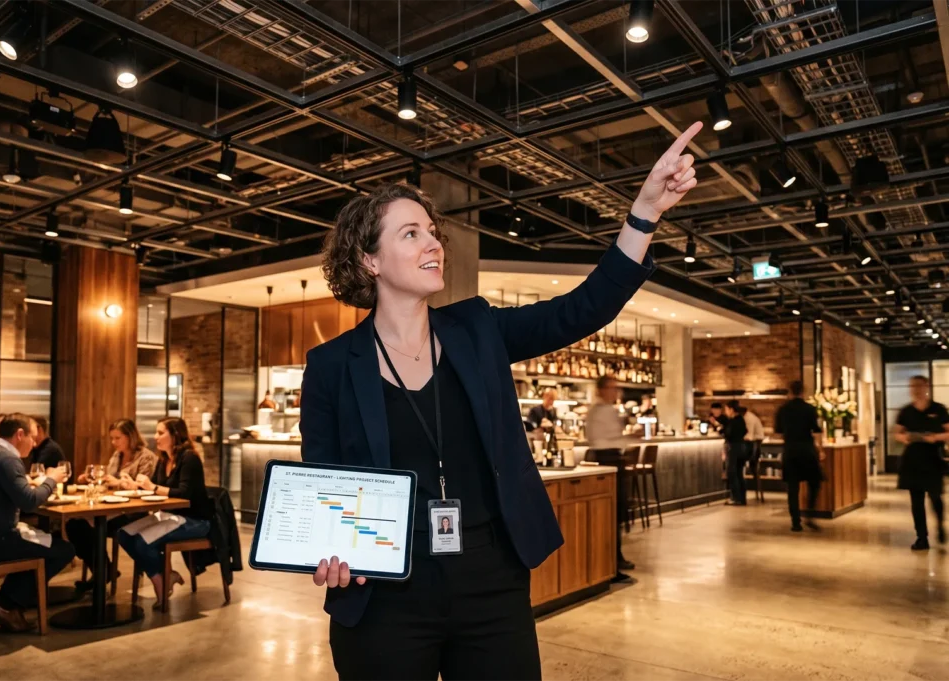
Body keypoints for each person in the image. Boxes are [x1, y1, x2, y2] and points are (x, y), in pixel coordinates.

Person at [300, 120, 701, 681]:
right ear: (370, 260)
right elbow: (324, 481)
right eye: (411, 234)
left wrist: (645, 213)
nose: (434, 243)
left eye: (432, 232)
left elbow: (581, 309)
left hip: (490, 578)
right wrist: (329, 550)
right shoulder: (331, 365)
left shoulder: (477, 329)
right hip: (384, 590)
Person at [0, 413, 72, 632]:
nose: (33, 443)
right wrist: (52, 479)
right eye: (32, 438)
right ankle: (6, 605)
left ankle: (7, 602)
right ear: (19, 434)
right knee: (63, 549)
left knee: (40, 542)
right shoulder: (7, 459)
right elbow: (29, 502)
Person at [117, 418, 213, 605]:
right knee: (124, 534)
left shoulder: (189, 458)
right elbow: (154, 487)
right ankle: (167, 574)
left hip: (195, 520)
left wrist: (151, 487)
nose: (155, 437)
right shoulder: (164, 460)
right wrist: (135, 485)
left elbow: (184, 494)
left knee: (142, 542)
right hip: (170, 516)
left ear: (175, 435)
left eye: (160, 433)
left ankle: (159, 582)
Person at [67, 419, 159, 590]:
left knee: (90, 526)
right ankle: (103, 570)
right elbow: (107, 481)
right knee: (74, 524)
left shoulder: (146, 457)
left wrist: (117, 483)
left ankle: (102, 573)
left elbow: (144, 488)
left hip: (134, 512)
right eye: (112, 438)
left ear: (130, 436)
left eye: (117, 438)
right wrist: (91, 479)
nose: (113, 442)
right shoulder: (117, 455)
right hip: (113, 508)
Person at [585, 375, 635, 574]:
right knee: (612, 511)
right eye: (612, 388)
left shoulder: (605, 410)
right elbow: (604, 440)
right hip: (607, 459)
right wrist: (631, 437)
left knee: (615, 511)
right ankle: (612, 560)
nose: (616, 392)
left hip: (610, 458)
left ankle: (615, 558)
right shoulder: (599, 412)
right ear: (601, 390)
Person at [894, 375, 949, 550]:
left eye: (919, 385)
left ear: (926, 387)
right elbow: (897, 433)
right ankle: (921, 537)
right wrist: (905, 437)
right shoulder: (906, 411)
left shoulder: (939, 409)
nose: (915, 389)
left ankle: (940, 526)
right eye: (912, 386)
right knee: (916, 502)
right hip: (912, 460)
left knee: (935, 497)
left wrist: (935, 437)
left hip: (933, 458)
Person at [774, 380, 823, 532]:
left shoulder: (783, 409)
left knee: (792, 488)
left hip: (790, 451)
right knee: (814, 483)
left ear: (790, 391)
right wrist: (820, 450)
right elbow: (816, 431)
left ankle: (795, 522)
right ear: (803, 391)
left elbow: (778, 431)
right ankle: (810, 514)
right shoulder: (810, 409)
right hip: (807, 450)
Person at [723, 400, 748, 506]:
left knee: (732, 473)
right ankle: (742, 498)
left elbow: (728, 434)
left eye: (726, 409)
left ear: (731, 410)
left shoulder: (733, 421)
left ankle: (735, 498)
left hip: (733, 448)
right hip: (741, 447)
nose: (725, 412)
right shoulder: (741, 419)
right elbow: (745, 431)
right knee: (739, 473)